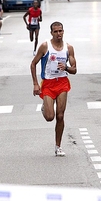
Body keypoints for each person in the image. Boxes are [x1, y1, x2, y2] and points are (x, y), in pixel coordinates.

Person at [30, 21, 77, 157]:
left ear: (63, 31)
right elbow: (33, 64)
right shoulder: (45, 46)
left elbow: (74, 70)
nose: (58, 34)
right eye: (55, 31)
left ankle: (58, 146)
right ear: (51, 33)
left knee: (60, 116)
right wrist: (35, 84)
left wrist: (66, 67)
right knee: (50, 117)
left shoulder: (69, 48)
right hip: (48, 84)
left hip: (62, 82)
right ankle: (45, 107)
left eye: (60, 31)